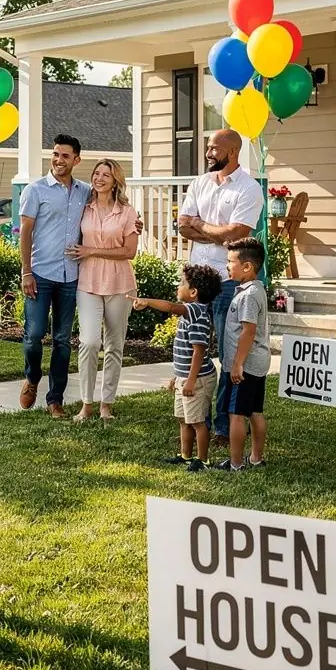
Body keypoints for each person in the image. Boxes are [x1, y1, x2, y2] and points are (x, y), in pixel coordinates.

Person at [176, 129, 263, 448]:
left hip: (229, 283)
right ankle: (193, 415)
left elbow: (236, 234)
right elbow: (183, 226)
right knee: (191, 349)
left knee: (230, 357)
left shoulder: (249, 188)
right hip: (197, 282)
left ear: (233, 152)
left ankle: (224, 426)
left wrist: (200, 224)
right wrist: (211, 230)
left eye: (214, 149)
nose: (209, 153)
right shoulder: (199, 183)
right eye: (208, 148)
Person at [18, 135, 90, 418]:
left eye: (65, 156)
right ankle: (32, 378)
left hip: (71, 276)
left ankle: (55, 399)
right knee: (34, 335)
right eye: (56, 154)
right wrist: (26, 271)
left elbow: (111, 205)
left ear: (76, 160)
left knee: (62, 340)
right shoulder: (35, 190)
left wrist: (134, 221)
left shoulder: (85, 191)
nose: (59, 160)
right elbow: (25, 232)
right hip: (40, 273)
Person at [66, 158, 139, 422]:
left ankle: (106, 404)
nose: (99, 178)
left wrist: (91, 250)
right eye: (96, 173)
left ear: (115, 180)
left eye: (105, 175)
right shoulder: (83, 208)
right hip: (88, 284)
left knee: (114, 346)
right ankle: (86, 404)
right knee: (89, 342)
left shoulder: (128, 213)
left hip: (120, 285)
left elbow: (129, 252)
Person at [134, 263, 223, 471]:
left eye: (182, 283)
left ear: (193, 292)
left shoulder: (195, 312)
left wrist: (147, 302)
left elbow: (199, 352)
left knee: (198, 422)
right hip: (186, 378)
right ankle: (185, 456)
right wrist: (178, 377)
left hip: (198, 379)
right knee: (184, 419)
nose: (178, 285)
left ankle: (203, 460)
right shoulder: (190, 313)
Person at [218, 238, 271, 473]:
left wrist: (238, 364)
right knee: (255, 411)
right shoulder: (254, 290)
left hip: (246, 364)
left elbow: (248, 331)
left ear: (247, 267)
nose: (227, 266)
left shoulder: (248, 295)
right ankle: (256, 458)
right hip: (257, 362)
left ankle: (236, 463)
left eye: (231, 261)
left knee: (236, 414)